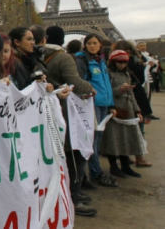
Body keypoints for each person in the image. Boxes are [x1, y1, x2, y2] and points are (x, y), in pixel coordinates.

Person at [42, 26, 97, 216]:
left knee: (64, 154)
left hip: (49, 111)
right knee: (75, 153)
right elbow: (74, 81)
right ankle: (74, 195)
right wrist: (89, 88)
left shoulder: (40, 56)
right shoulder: (63, 57)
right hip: (66, 110)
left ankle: (70, 193)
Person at [74, 34, 118, 188]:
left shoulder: (101, 61)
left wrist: (111, 104)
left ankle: (93, 172)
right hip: (92, 104)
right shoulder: (83, 61)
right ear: (85, 45)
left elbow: (107, 84)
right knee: (92, 140)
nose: (92, 46)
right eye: (89, 43)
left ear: (100, 45)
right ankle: (93, 173)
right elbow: (81, 81)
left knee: (97, 140)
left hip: (103, 104)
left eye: (95, 43)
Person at [101, 50, 148, 178]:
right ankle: (114, 167)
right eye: (119, 62)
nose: (122, 64)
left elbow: (131, 95)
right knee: (113, 140)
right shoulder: (108, 73)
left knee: (125, 139)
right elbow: (107, 91)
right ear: (113, 62)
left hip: (128, 110)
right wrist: (119, 90)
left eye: (124, 62)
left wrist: (138, 110)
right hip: (115, 109)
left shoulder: (127, 74)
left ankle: (125, 166)